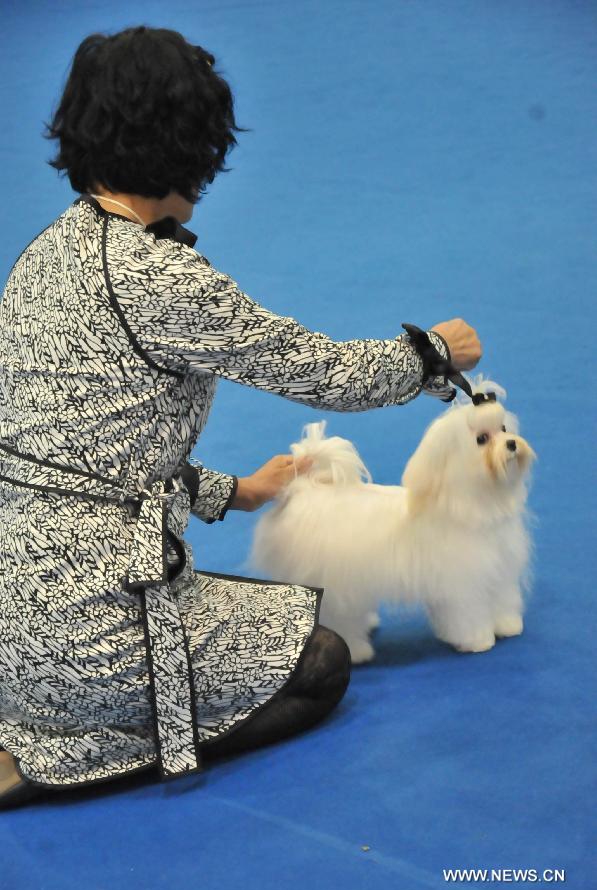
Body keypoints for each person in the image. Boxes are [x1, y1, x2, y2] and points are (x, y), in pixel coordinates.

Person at [0, 26, 481, 809]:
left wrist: (234, 492)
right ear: (197, 143)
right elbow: (321, 371)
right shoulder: (161, 276)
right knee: (320, 662)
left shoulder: (40, 255)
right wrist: (433, 353)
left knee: (261, 609)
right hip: (83, 622)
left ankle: (38, 717)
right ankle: (58, 758)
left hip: (11, 601)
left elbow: (71, 456)